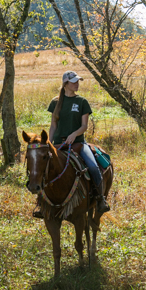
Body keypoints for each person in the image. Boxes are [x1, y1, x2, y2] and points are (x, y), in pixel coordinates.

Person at [38, 70, 110, 215]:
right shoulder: (55, 102)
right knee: (41, 168)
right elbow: (53, 126)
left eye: (78, 81)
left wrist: (74, 134)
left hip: (78, 144)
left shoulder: (82, 102)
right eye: (74, 82)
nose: (77, 84)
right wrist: (49, 144)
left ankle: (100, 199)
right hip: (58, 144)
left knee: (94, 167)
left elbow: (84, 126)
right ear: (66, 84)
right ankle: (41, 204)